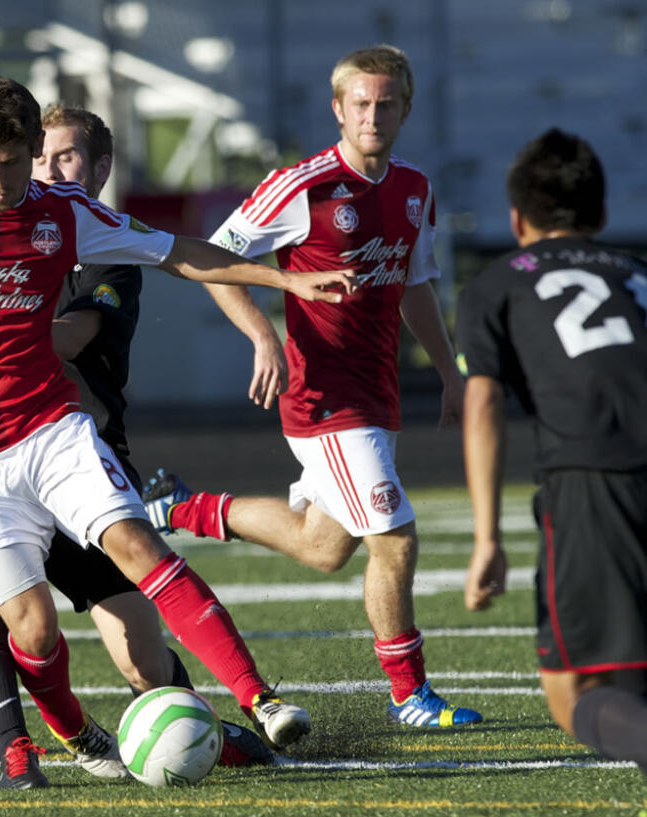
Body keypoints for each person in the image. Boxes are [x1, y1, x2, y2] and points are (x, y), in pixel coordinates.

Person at [0, 75, 355, 780]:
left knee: (134, 543)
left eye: (10, 162)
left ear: (32, 149)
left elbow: (177, 252)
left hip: (51, 430)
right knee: (32, 628)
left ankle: (261, 700)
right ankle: (73, 735)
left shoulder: (63, 212)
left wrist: (285, 283)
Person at [142, 44, 482, 728]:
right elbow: (214, 258)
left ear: (406, 109)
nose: (373, 115)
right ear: (338, 108)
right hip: (324, 398)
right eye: (361, 103)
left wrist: (449, 371)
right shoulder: (303, 185)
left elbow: (416, 285)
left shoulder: (415, 189)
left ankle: (181, 508)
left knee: (325, 546)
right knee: (396, 538)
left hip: (376, 394)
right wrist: (263, 335)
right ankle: (409, 694)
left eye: (387, 103)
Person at [457, 128, 647, 772]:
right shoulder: (638, 274)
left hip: (595, 483)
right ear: (599, 214)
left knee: (577, 692)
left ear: (516, 220)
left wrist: (488, 537)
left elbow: (482, 404)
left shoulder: (498, 284)